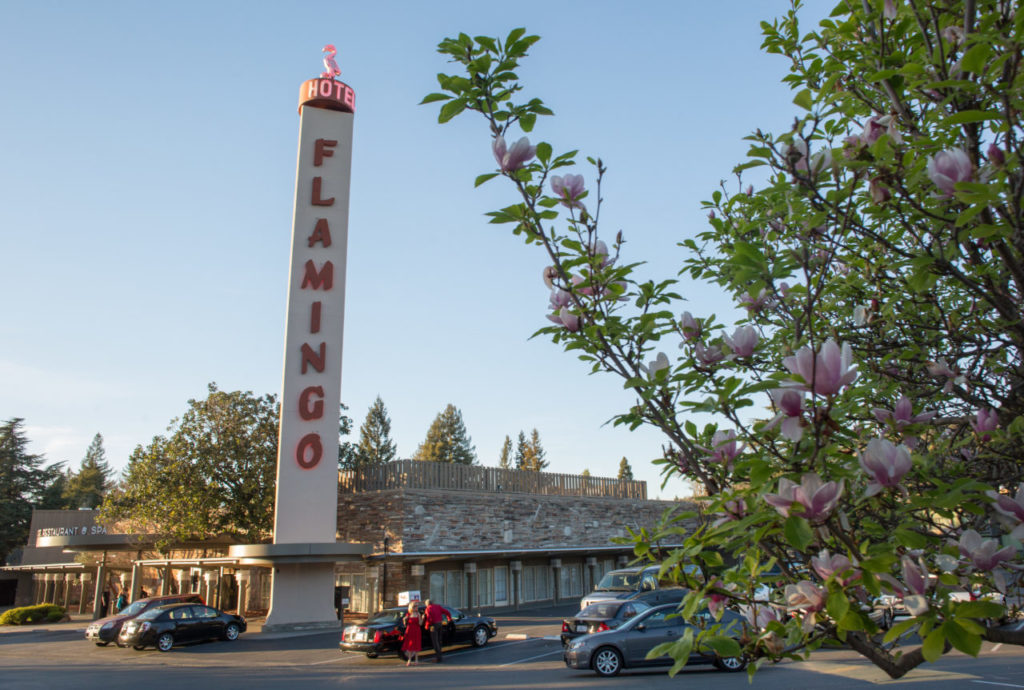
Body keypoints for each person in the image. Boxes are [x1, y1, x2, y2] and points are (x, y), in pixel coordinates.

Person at [400, 602, 422, 666]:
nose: (416, 608)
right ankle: (409, 660)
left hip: (416, 630)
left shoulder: (418, 614)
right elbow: (405, 624)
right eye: (415, 606)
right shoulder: (409, 614)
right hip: (410, 630)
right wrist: (404, 620)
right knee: (410, 645)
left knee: (416, 645)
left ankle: (416, 660)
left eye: (417, 606)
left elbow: (420, 624)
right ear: (411, 607)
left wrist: (421, 618)